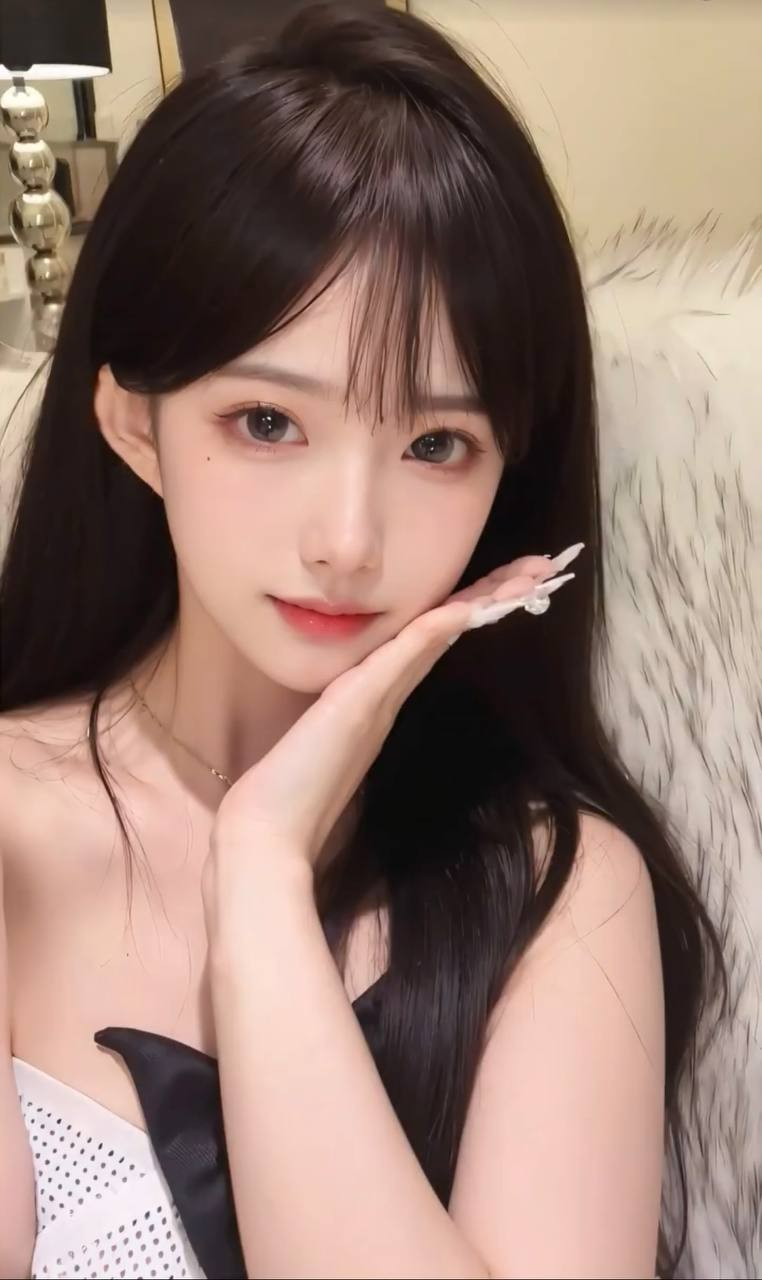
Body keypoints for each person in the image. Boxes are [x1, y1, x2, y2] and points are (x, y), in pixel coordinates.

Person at [0, 4, 724, 1277]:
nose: (349, 539)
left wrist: (262, 873)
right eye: (268, 422)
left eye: (436, 443)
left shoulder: (557, 888)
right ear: (132, 425)